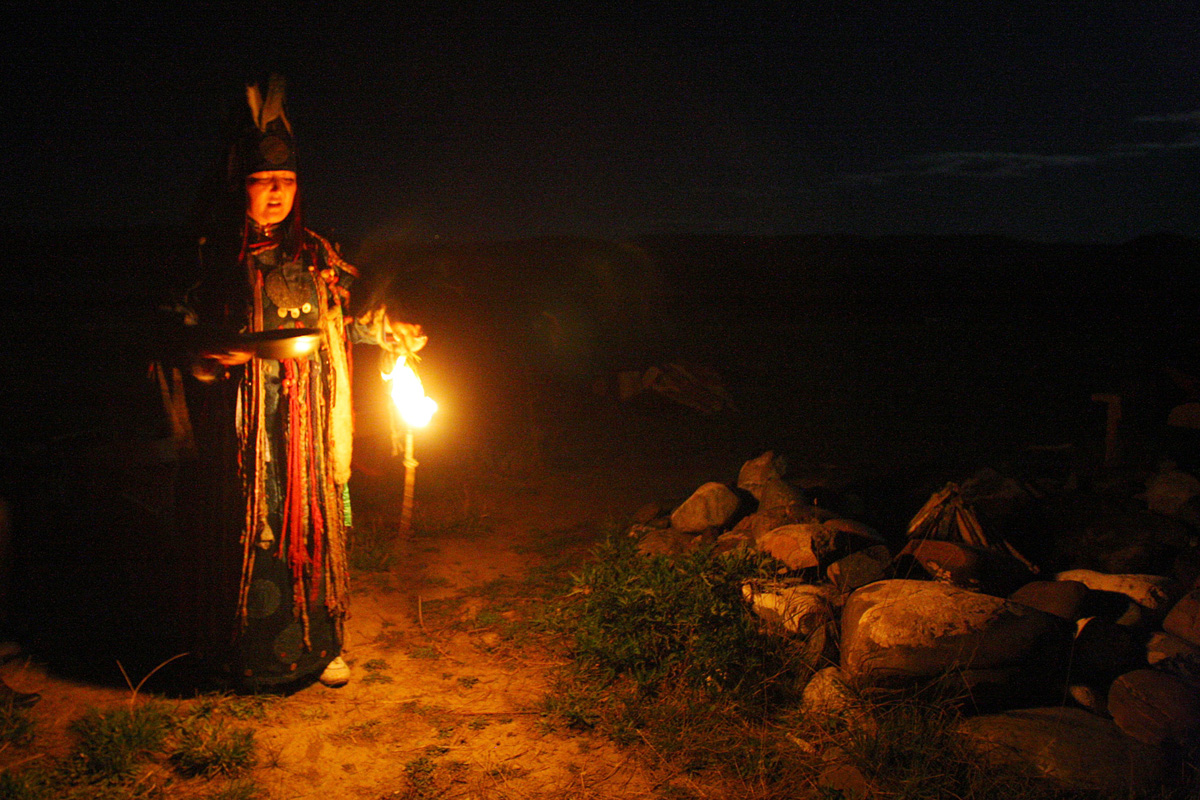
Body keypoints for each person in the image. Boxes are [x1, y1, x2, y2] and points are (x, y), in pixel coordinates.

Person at [180, 76, 424, 691]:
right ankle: (239, 652)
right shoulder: (212, 258)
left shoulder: (316, 254)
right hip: (243, 431)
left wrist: (392, 330)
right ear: (241, 185)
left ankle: (321, 644)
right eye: (263, 183)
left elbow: (354, 319)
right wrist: (207, 357)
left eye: (285, 183)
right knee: (248, 528)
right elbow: (177, 336)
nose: (275, 194)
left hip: (310, 431)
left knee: (315, 525)